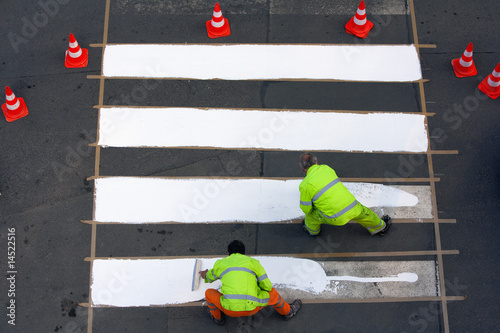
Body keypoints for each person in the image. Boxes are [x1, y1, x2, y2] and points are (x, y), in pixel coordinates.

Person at [200, 240, 302, 325]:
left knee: (209, 294)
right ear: (244, 253)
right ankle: (289, 312)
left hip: (228, 309)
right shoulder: (253, 263)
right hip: (252, 307)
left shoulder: (221, 264)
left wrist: (204, 274)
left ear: (228, 253)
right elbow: (267, 286)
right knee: (273, 294)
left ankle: (218, 319)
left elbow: (209, 277)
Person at [298, 152, 391, 237]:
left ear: (303, 170)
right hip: (352, 206)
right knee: (364, 213)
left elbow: (306, 209)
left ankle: (312, 232)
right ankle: (381, 228)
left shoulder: (305, 185)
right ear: (316, 162)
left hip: (336, 217)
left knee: (311, 215)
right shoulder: (326, 168)